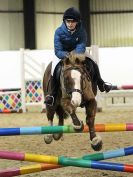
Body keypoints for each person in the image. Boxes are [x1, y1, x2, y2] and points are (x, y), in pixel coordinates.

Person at [45, 7, 112, 106]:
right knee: (54, 68)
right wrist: (67, 55)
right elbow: (58, 50)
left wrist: (75, 55)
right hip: (62, 53)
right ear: (65, 21)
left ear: (77, 22)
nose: (70, 24)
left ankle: (101, 84)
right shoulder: (58, 32)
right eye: (68, 21)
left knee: (93, 62)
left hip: (78, 52)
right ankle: (53, 95)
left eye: (73, 21)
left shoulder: (81, 31)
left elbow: (81, 46)